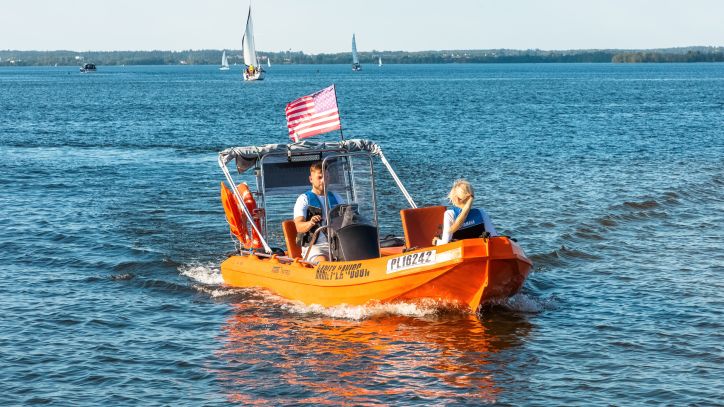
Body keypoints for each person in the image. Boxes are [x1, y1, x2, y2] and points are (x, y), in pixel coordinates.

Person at [293, 161, 344, 263]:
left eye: (326, 177)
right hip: (314, 246)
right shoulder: (303, 199)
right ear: (311, 179)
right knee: (323, 261)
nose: (323, 181)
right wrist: (310, 223)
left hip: (335, 244)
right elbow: (299, 226)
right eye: (320, 178)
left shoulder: (337, 198)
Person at [432, 179, 497, 246]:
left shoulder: (450, 214)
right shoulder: (481, 212)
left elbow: (445, 243)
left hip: (460, 253)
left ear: (456, 198)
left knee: (440, 237)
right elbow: (494, 236)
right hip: (481, 251)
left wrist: (436, 242)